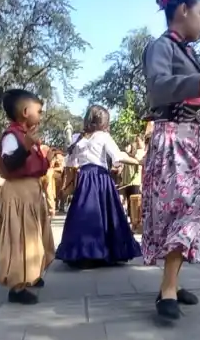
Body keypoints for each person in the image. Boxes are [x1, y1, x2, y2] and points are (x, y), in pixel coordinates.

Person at [141, 0, 200, 322]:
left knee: (188, 209)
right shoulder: (161, 46)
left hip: (194, 140)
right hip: (174, 139)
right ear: (182, 11)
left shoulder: (187, 52)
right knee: (189, 207)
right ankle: (167, 290)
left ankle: (173, 285)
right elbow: (158, 87)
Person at [56, 105, 142, 268]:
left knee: (83, 214)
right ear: (103, 122)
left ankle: (83, 253)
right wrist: (137, 161)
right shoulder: (103, 136)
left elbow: (70, 162)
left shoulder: (77, 138)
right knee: (105, 213)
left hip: (84, 178)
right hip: (101, 178)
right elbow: (117, 156)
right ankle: (108, 251)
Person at [0, 88, 55, 305]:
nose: (41, 115)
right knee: (20, 239)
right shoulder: (12, 137)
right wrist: (26, 147)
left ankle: (32, 273)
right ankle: (17, 286)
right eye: (38, 111)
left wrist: (47, 158)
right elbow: (9, 163)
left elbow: (35, 166)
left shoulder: (27, 136)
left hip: (32, 192)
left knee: (35, 237)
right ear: (25, 112)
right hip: (18, 194)